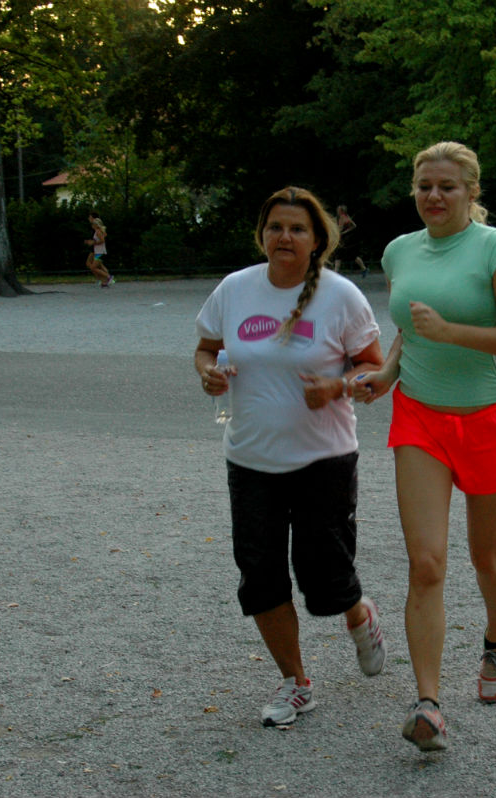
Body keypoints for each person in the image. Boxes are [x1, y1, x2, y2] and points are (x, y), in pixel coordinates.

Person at [354, 141, 496, 752]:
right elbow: (407, 331)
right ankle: (428, 704)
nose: (433, 196)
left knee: (486, 556)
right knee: (427, 562)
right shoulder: (399, 251)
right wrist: (386, 373)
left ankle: (495, 640)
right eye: (424, 186)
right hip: (420, 418)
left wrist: (451, 331)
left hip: (487, 418)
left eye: (447, 187)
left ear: (471, 192)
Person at [194, 186, 386, 728]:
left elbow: (374, 368)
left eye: (298, 228)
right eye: (276, 227)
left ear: (317, 239)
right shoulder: (235, 289)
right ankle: (295, 682)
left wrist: (336, 386)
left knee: (325, 579)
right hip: (250, 459)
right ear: (262, 234)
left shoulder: (340, 296)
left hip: (323, 459)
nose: (285, 236)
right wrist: (208, 373)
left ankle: (358, 614)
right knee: (260, 576)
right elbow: (206, 348)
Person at [333, 205, 368, 277]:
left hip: (344, 240)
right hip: (349, 239)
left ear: (341, 211)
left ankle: (336, 272)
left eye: (338, 210)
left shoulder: (342, 218)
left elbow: (340, 229)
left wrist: (338, 234)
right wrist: (346, 231)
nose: (337, 211)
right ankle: (364, 269)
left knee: (339, 254)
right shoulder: (347, 216)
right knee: (351, 255)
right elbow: (354, 226)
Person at [84, 211, 114, 287]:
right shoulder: (97, 231)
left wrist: (93, 243)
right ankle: (105, 280)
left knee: (93, 267)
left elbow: (102, 241)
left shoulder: (98, 232)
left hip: (100, 252)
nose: (92, 225)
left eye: (93, 224)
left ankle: (108, 277)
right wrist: (91, 242)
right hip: (98, 252)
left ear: (96, 225)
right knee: (96, 267)